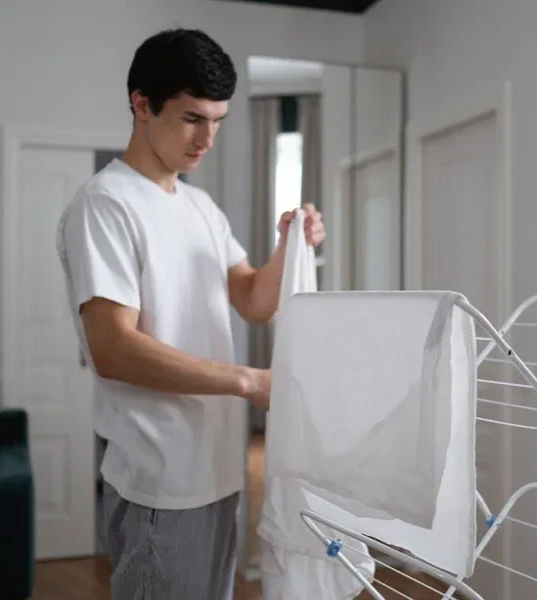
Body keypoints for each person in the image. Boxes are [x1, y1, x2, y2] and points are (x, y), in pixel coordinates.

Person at [55, 27, 324, 600]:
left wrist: (291, 247)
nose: (208, 139)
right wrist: (249, 381)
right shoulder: (105, 205)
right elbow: (113, 349)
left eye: (219, 121)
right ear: (142, 104)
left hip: (218, 472)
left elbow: (253, 298)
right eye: (192, 119)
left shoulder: (200, 206)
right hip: (160, 481)